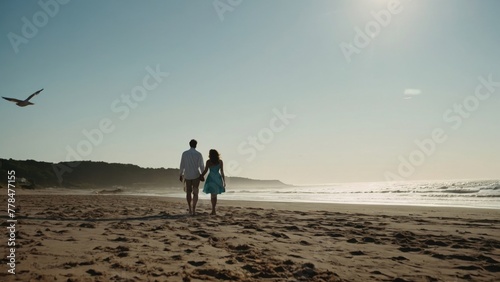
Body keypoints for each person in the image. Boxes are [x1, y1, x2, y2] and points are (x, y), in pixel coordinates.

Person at [179, 139, 205, 215]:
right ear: (196, 145)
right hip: (196, 175)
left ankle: (189, 208)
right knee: (195, 193)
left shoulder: (184, 153)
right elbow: (201, 165)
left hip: (187, 175)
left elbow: (182, 165)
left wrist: (180, 174)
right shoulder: (198, 154)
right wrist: (202, 174)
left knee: (188, 192)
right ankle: (194, 209)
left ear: (189, 144)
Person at [200, 149, 226, 215]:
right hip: (217, 178)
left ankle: (213, 210)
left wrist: (201, 175)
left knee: (212, 195)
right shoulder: (220, 162)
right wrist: (224, 181)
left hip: (211, 178)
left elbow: (206, 170)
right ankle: (213, 209)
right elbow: (222, 172)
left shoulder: (208, 162)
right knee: (215, 194)